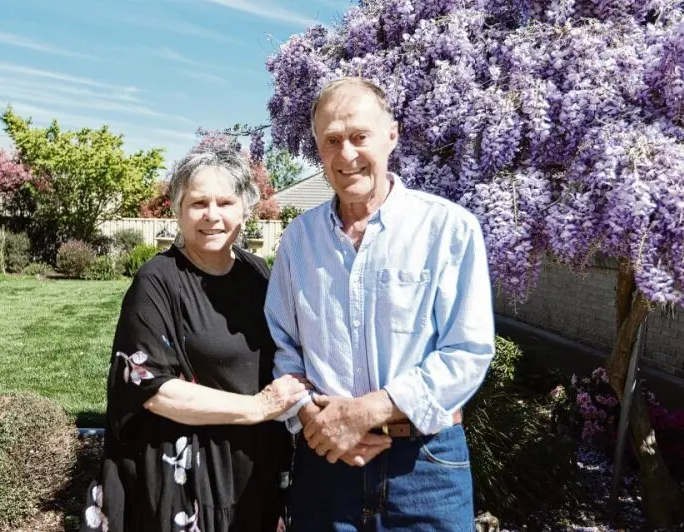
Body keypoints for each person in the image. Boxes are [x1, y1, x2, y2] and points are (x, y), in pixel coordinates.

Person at [265, 77, 496, 531]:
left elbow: (467, 352)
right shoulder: (298, 241)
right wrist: (314, 417)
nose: (346, 154)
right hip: (325, 461)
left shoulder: (448, 229)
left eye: (359, 136)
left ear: (392, 136)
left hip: (424, 464)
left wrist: (367, 412)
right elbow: (284, 347)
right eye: (332, 140)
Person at [81, 145, 307, 532]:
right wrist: (258, 407)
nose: (212, 215)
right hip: (189, 480)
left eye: (225, 202)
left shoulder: (257, 273)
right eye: (198, 203)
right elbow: (152, 390)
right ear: (178, 210)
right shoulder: (157, 280)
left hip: (256, 471)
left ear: (245, 209)